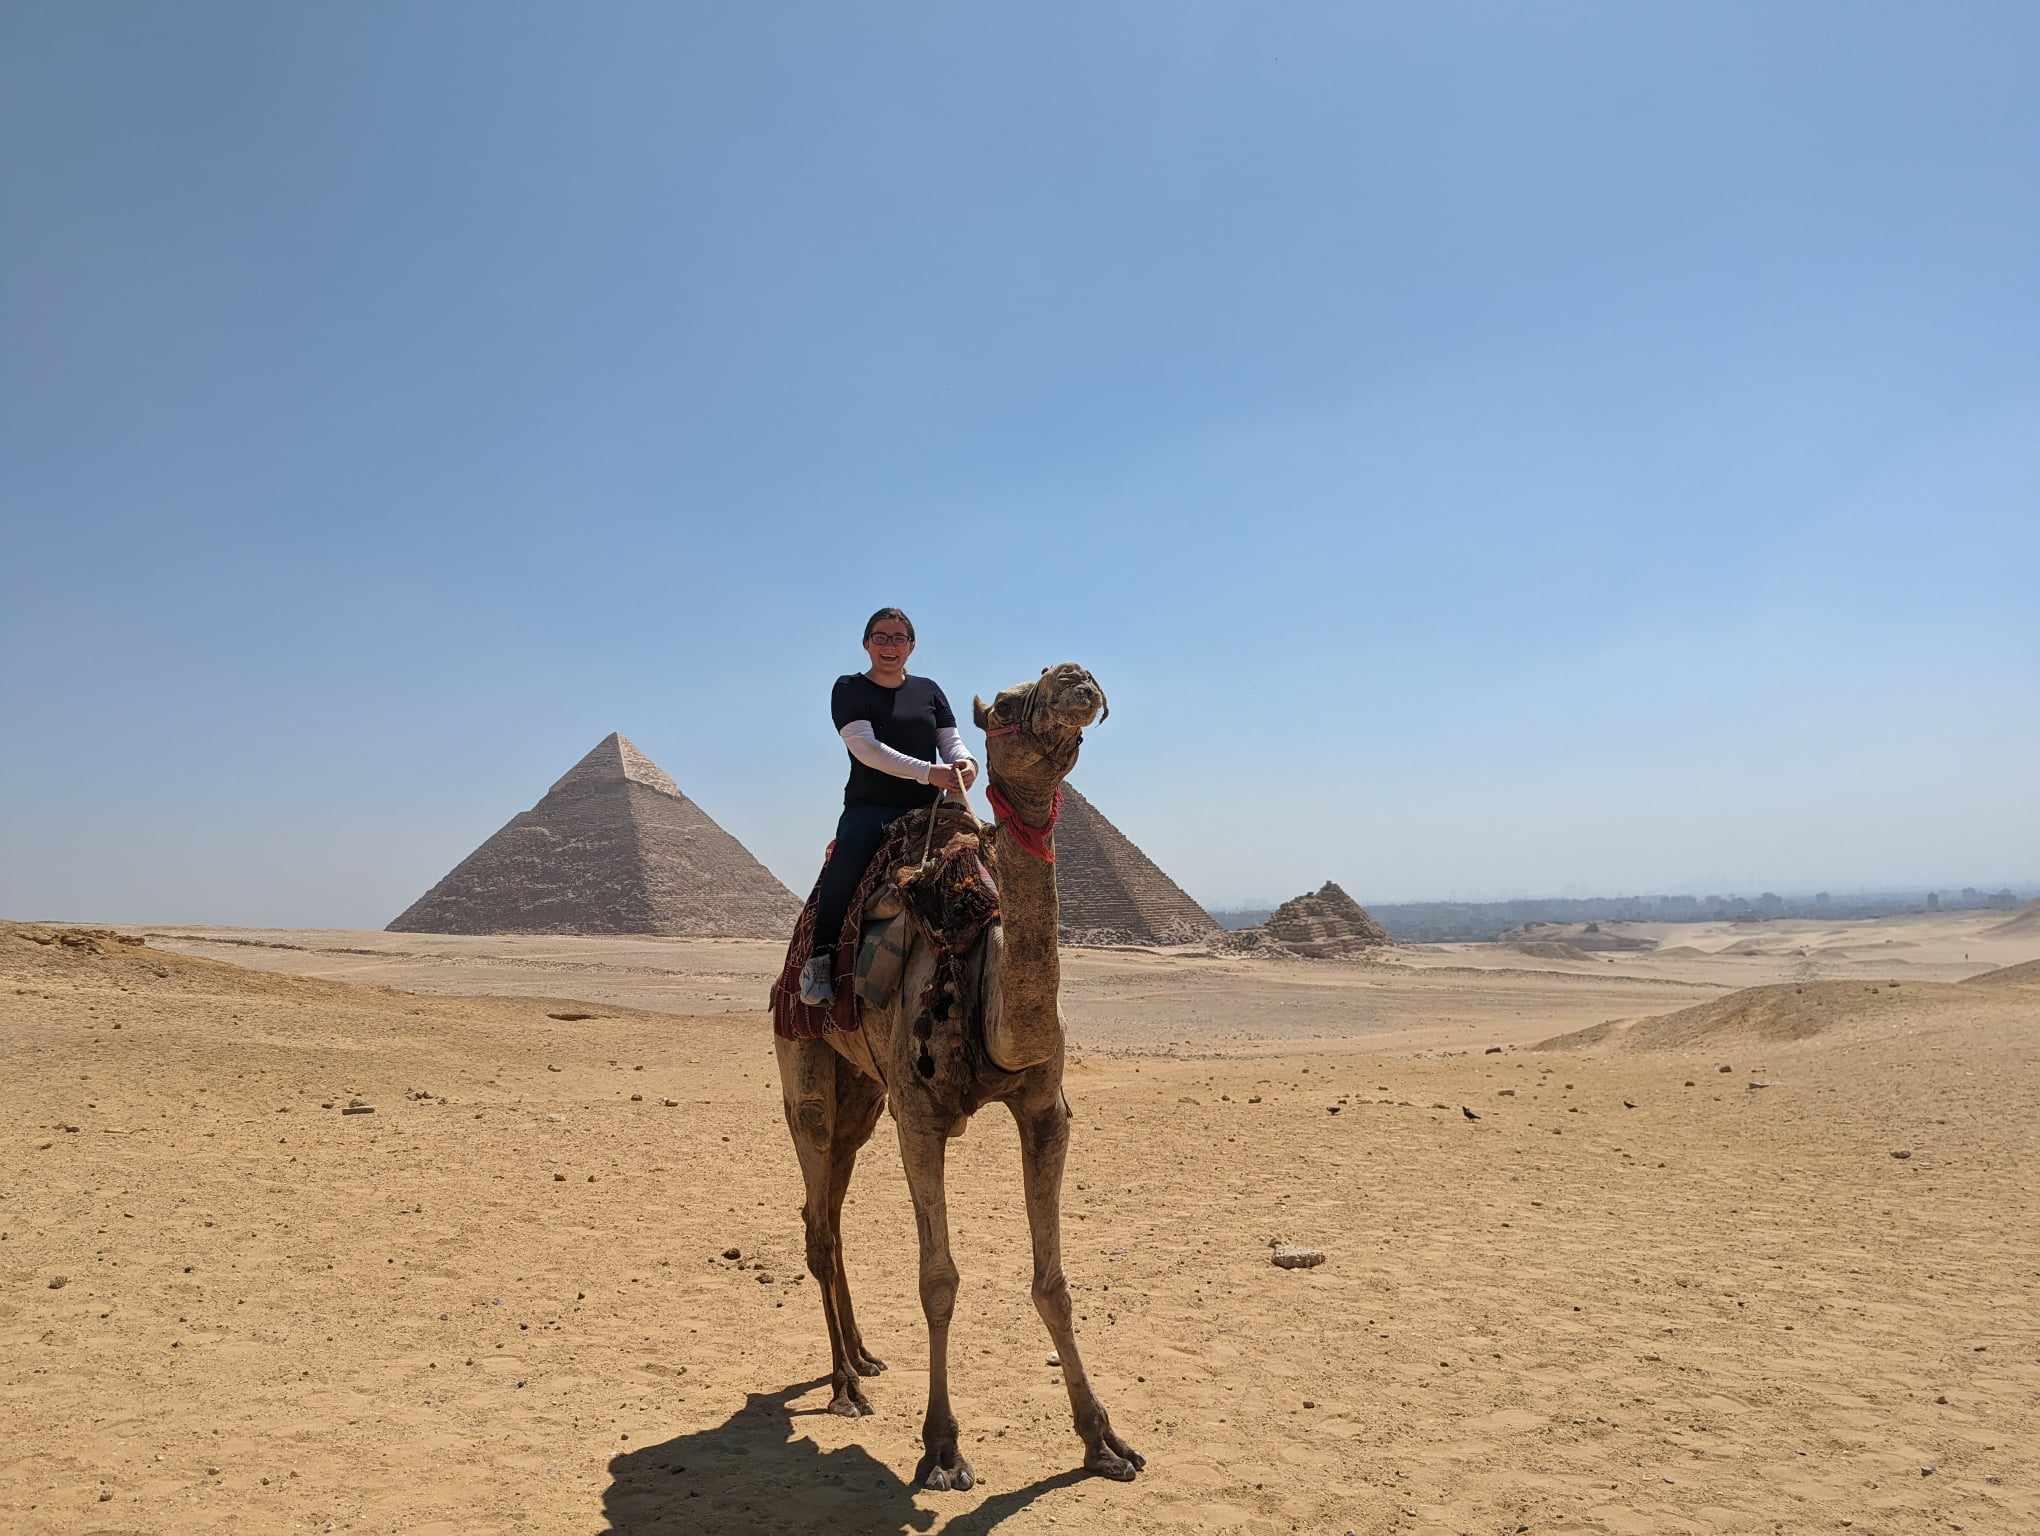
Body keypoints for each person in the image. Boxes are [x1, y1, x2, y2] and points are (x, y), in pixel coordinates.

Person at [799, 607, 978, 1006]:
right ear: (866, 643)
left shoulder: (929, 689)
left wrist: (967, 764)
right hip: (872, 809)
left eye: (898, 638)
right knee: (843, 872)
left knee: (985, 871)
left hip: (931, 812)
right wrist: (930, 773)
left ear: (912, 646)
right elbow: (867, 749)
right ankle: (821, 961)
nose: (889, 646)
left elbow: (951, 741)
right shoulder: (849, 688)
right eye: (881, 637)